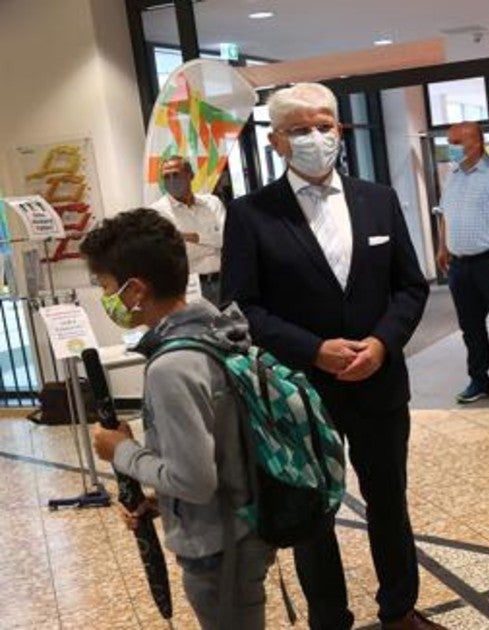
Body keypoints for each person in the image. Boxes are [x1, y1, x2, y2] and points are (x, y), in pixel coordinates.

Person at [221, 82, 436, 630]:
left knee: (389, 500)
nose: (315, 138)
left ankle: (399, 610)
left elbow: (410, 287)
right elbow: (243, 306)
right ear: (276, 141)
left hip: (379, 380)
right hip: (301, 389)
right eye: (299, 129)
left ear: (339, 131)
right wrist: (314, 350)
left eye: (323, 126)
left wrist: (382, 343)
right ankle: (328, 617)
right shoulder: (250, 214)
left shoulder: (378, 199)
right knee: (313, 510)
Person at [87, 208, 272, 629]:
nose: (106, 298)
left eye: (107, 286)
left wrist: (122, 451)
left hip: (217, 549)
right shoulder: (217, 329)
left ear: (136, 290)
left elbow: (194, 481)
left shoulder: (172, 367)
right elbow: (219, 448)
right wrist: (161, 501)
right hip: (244, 526)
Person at [434, 122, 489, 406]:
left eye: (456, 142)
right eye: (449, 142)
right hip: (460, 265)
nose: (451, 148)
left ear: (476, 141)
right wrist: (442, 247)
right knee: (470, 327)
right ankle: (479, 381)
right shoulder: (453, 174)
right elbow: (445, 214)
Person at [149, 156, 227, 305]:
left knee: (233, 320)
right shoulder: (157, 212)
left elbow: (227, 240)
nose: (171, 180)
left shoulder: (212, 203)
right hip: (190, 287)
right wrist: (214, 243)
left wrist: (193, 237)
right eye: (166, 177)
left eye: (176, 174)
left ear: (190, 175)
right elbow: (177, 255)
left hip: (223, 280)